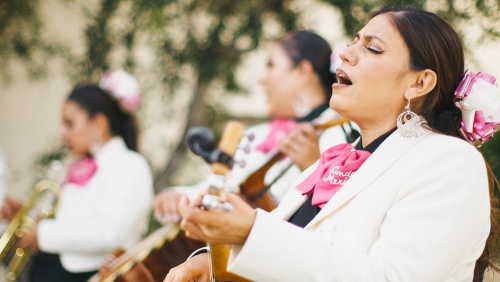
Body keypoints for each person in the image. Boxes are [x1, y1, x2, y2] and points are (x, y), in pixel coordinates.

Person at [166, 6, 500, 282]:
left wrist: (248, 230)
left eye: (372, 48)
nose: (344, 53)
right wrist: (211, 263)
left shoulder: (451, 161)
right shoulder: (335, 158)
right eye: (353, 41)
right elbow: (291, 254)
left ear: (419, 82)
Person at [154, 30, 357, 221]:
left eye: (271, 65)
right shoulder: (260, 134)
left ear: (303, 72)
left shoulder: (342, 136)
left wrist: (312, 167)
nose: (262, 78)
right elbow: (228, 185)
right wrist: (179, 196)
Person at [4, 70, 154, 282]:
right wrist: (24, 220)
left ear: (99, 123)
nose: (62, 133)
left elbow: (109, 232)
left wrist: (43, 233)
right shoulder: (83, 164)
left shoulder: (131, 165)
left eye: (69, 123)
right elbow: (70, 221)